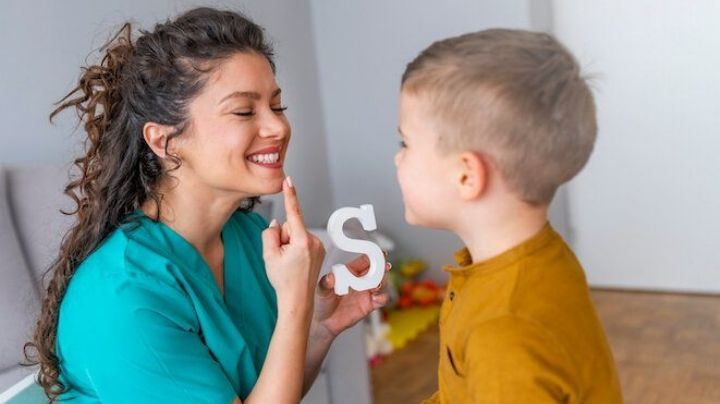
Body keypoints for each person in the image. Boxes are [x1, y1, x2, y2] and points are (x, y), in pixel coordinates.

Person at [24, 7, 389, 403]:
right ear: (164, 141)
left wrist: (319, 327)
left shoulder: (249, 237)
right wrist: (295, 303)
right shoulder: (124, 297)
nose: (278, 127)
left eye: (277, 106)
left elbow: (264, 394)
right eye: (244, 111)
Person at [394, 29, 623, 403]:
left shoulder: (505, 332)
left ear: (466, 175)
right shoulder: (536, 257)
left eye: (405, 143)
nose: (397, 157)